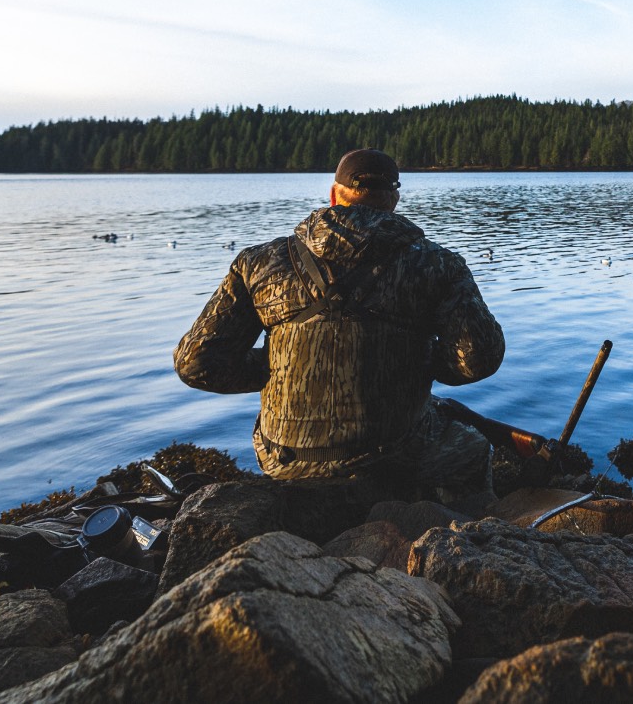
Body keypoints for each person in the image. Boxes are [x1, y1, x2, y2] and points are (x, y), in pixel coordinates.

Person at [174, 148, 504, 506]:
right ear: (394, 199)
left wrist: (276, 365)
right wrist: (416, 363)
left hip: (284, 459)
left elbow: (196, 364)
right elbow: (478, 357)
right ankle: (459, 541)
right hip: (395, 453)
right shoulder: (437, 264)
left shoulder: (259, 262)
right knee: (473, 448)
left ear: (334, 195)